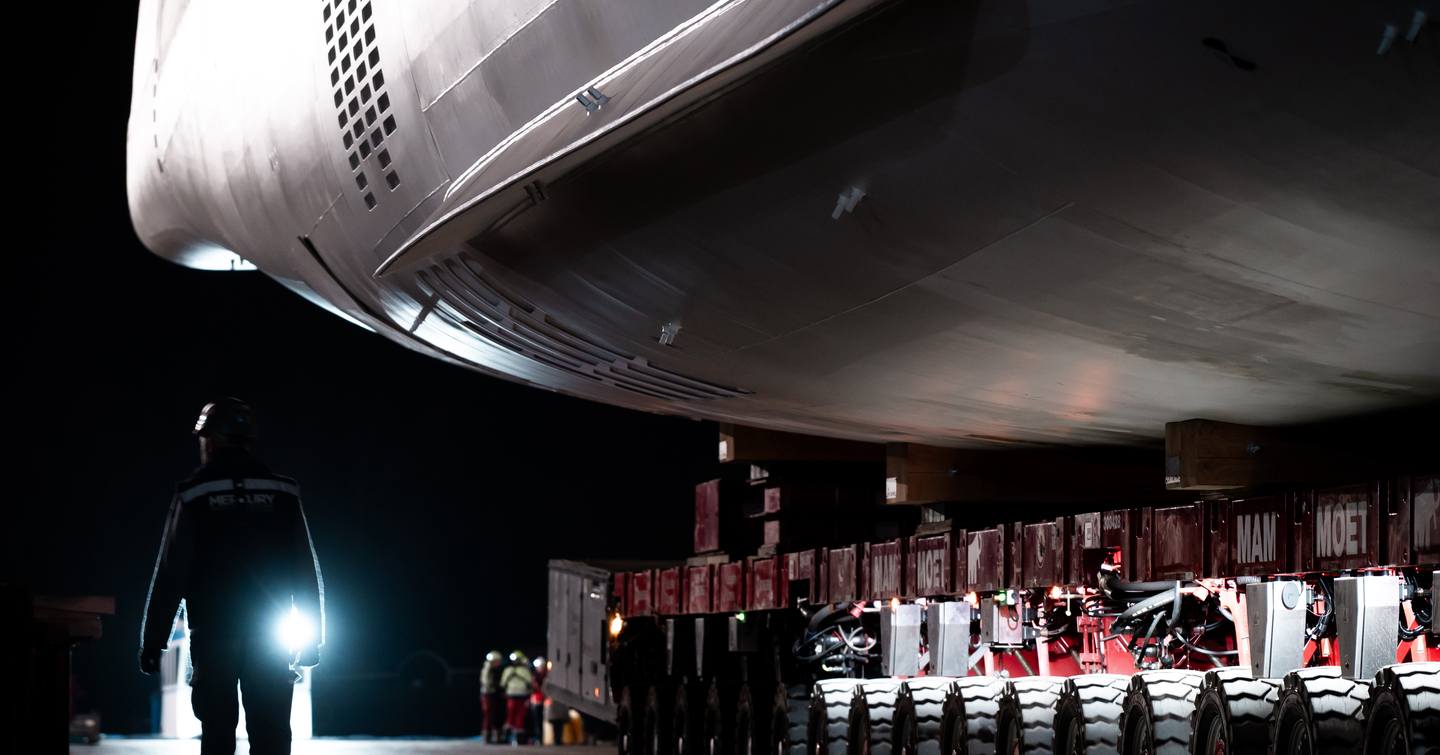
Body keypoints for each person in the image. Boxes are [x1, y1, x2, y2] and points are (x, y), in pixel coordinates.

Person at [139, 398, 324, 755]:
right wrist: (312, 638)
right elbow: (303, 567)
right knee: (271, 734)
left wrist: (154, 640)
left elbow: (172, 572)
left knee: (218, 732)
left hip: (213, 634)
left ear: (212, 439)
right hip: (270, 634)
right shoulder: (283, 492)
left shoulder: (193, 494)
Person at [500, 650, 535, 744]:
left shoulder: (522, 670)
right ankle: (509, 735)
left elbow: (502, 684)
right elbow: (503, 683)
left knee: (518, 715)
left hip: (520, 695)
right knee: (513, 715)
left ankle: (516, 736)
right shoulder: (512, 670)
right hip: (515, 695)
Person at [480, 650, 505, 743]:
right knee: (489, 715)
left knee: (496, 715)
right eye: (497, 661)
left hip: (494, 694)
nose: (499, 663)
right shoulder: (487, 668)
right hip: (488, 694)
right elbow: (486, 682)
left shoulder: (496, 669)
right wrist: (496, 686)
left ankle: (496, 735)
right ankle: (487, 736)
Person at [528, 655, 547, 743]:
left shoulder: (547, 676)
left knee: (545, 720)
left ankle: (544, 738)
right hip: (537, 701)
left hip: (546, 700)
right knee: (537, 720)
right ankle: (538, 738)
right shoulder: (534, 676)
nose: (539, 668)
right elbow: (532, 688)